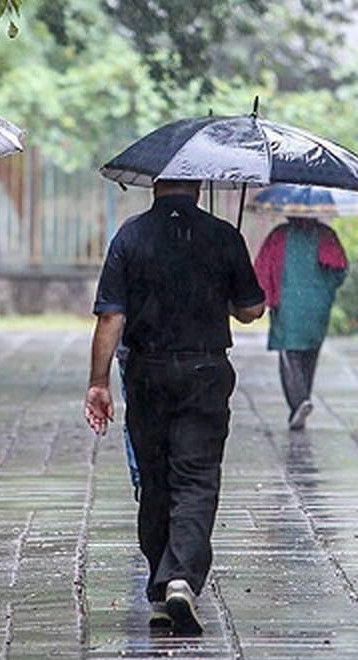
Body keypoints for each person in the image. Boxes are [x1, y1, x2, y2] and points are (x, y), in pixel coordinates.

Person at [84, 179, 265, 636]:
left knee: (156, 477)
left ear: (156, 185)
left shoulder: (131, 235)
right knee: (197, 477)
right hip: (205, 372)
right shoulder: (224, 235)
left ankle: (161, 586)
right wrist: (225, 291)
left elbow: (111, 315)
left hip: (147, 373)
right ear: (199, 186)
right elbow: (252, 310)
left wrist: (98, 382)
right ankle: (180, 577)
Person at [253, 215, 348, 430]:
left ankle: (299, 402)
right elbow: (340, 270)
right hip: (317, 304)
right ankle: (301, 400)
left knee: (289, 352)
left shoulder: (279, 235)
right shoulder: (325, 235)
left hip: (287, 303)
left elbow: (262, 268)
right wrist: (324, 289)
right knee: (309, 353)